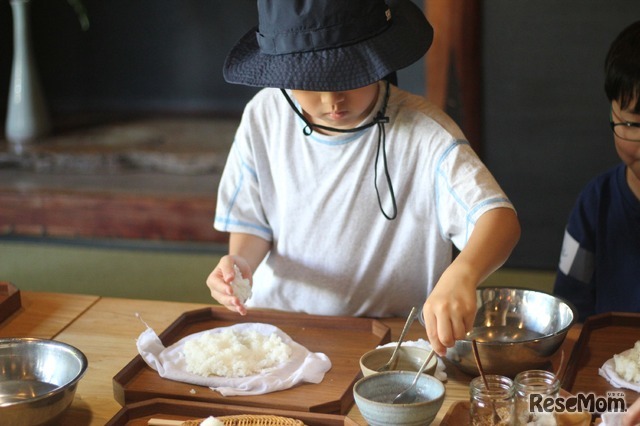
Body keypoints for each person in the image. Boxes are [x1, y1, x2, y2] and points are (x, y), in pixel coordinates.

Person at [206, 0, 520, 356]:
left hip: (393, 339)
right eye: (309, 83)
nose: (331, 100)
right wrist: (241, 265)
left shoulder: (425, 134)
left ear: (376, 57)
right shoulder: (264, 117)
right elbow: (253, 223)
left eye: (346, 78)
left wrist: (463, 273)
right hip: (281, 331)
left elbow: (499, 219)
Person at [553, 21, 640, 323]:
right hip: (612, 365)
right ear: (613, 115)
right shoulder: (596, 203)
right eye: (632, 125)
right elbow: (569, 311)